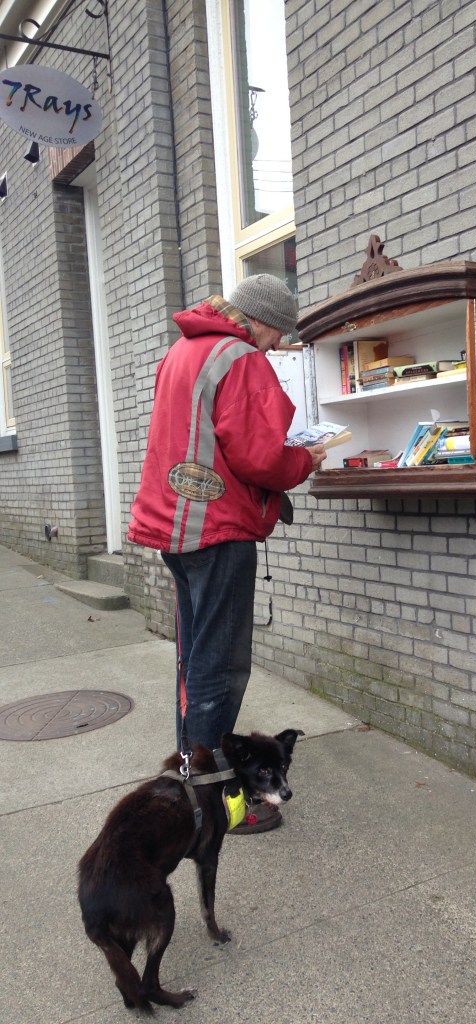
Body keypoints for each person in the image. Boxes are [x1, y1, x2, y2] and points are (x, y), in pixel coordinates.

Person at [127, 275, 326, 833]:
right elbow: (261, 458)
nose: (276, 345)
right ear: (262, 322)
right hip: (218, 531)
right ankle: (212, 807)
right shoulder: (241, 357)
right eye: (278, 333)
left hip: (175, 528)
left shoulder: (184, 350)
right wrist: (305, 460)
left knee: (194, 662)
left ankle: (187, 781)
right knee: (221, 670)